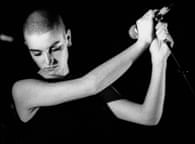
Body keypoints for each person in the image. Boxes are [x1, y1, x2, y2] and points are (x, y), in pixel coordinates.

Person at [12, 8, 173, 143]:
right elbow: (90, 85)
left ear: (67, 38)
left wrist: (159, 61)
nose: (48, 61)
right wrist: (142, 42)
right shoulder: (23, 89)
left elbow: (148, 116)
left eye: (55, 48)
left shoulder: (93, 79)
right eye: (37, 53)